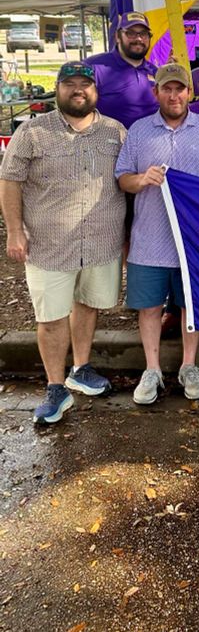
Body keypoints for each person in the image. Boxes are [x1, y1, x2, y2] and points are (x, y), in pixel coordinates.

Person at [0, 63, 126, 425]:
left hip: (102, 243)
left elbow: (128, 180)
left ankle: (81, 368)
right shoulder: (33, 131)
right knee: (51, 316)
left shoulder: (115, 132)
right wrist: (14, 231)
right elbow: (9, 181)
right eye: (69, 84)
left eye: (84, 85)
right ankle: (56, 386)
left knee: (87, 305)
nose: (77, 91)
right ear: (57, 88)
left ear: (95, 90)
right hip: (48, 244)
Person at [115, 63, 199, 406]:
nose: (174, 95)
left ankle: (189, 366)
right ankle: (152, 369)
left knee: (189, 306)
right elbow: (122, 178)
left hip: (193, 243)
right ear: (156, 93)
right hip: (149, 239)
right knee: (148, 308)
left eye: (180, 89)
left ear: (190, 93)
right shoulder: (139, 131)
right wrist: (141, 180)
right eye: (167, 89)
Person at [85, 11, 158, 128]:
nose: (139, 39)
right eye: (131, 33)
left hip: (149, 143)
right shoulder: (94, 67)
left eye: (143, 34)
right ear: (117, 37)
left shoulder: (155, 72)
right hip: (110, 143)